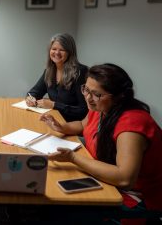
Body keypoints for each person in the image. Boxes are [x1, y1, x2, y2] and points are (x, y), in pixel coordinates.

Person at [40, 63, 162, 223]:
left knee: (59, 210)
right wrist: (62, 126)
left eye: (96, 94)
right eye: (86, 90)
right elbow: (84, 125)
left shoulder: (131, 125)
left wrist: (73, 158)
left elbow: (125, 179)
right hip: (108, 182)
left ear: (119, 96)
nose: (88, 98)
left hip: (136, 199)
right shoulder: (102, 108)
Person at [25, 33, 88, 122]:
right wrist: (30, 98)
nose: (57, 53)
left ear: (70, 53)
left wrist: (54, 105)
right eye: (54, 49)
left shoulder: (80, 72)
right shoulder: (49, 71)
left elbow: (83, 110)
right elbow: (34, 92)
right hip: (54, 120)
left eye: (62, 50)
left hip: (72, 125)